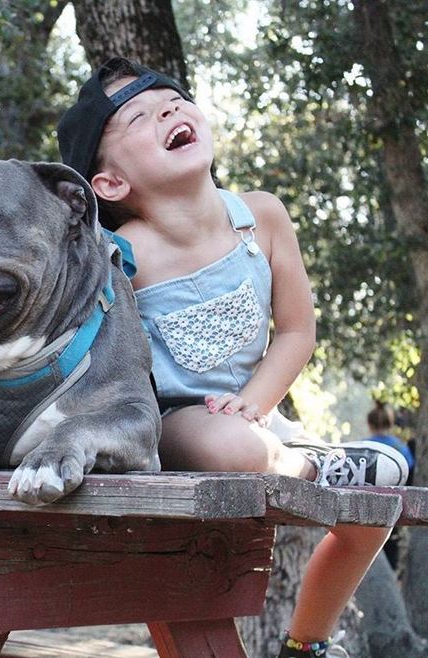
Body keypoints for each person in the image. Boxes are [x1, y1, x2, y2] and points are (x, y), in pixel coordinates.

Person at [57, 57, 410, 658]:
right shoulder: (120, 252)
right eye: (139, 116)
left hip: (253, 415)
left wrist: (259, 400)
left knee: (378, 501)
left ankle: (308, 644)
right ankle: (315, 468)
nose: (167, 109)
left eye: (172, 100)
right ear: (110, 184)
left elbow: (297, 331)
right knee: (231, 448)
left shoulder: (261, 217)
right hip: (168, 422)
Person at [362, 400, 415, 569]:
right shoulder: (400, 447)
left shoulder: (364, 446)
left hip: (368, 504)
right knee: (392, 545)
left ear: (370, 423)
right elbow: (410, 470)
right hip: (396, 504)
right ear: (390, 423)